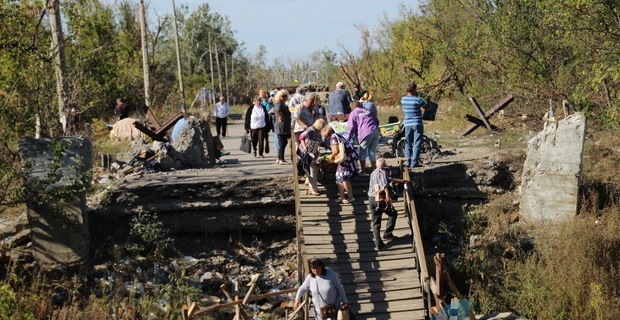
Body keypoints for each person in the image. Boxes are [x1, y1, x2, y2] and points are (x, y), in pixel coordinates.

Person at [367, 158, 405, 250]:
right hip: (380, 199)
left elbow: (388, 179)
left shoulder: (373, 173)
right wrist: (387, 195)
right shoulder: (382, 172)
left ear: (376, 165)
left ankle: (378, 244)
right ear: (384, 166)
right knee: (393, 213)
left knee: (376, 222)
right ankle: (388, 233)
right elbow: (384, 184)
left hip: (371, 198)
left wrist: (399, 181)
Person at [324, 125, 358, 204]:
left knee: (343, 177)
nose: (327, 139)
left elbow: (335, 151)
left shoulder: (333, 137)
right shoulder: (338, 135)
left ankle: (350, 197)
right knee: (339, 177)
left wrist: (331, 157)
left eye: (326, 137)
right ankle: (342, 196)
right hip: (349, 157)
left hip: (345, 159)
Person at [346, 101, 380, 174]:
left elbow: (351, 127)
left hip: (365, 133)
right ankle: (374, 170)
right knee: (372, 151)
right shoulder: (367, 110)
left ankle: (363, 171)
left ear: (353, 107)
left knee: (362, 152)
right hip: (375, 131)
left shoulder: (354, 113)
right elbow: (376, 120)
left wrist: (347, 138)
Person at [299, 119, 328, 196]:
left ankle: (308, 180)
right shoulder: (310, 130)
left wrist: (328, 147)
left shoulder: (318, 133)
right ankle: (313, 189)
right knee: (313, 170)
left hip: (314, 153)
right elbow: (301, 136)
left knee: (314, 169)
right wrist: (304, 146)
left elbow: (321, 142)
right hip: (307, 152)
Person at [401, 83, 427, 168]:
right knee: (417, 143)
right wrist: (423, 96)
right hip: (417, 123)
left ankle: (407, 162)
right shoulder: (417, 100)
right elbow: (426, 106)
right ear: (414, 90)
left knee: (408, 143)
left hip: (407, 123)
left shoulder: (403, 99)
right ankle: (414, 162)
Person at [272, 89, 291, 164]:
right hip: (281, 126)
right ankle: (281, 159)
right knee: (282, 142)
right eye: (282, 96)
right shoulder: (279, 103)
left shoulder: (283, 103)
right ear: (279, 96)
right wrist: (281, 116)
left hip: (284, 126)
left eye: (285, 96)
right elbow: (277, 110)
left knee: (283, 142)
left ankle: (279, 157)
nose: (284, 97)